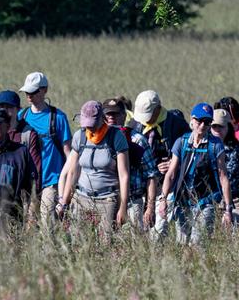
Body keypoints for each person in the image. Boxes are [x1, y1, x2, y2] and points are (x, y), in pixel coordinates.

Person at [159, 103, 234, 245]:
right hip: (183, 200)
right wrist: (163, 199)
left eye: (207, 122)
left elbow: (223, 177)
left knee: (198, 243)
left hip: (206, 201)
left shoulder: (215, 145)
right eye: (199, 121)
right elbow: (171, 174)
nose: (202, 125)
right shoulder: (182, 142)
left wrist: (228, 209)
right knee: (181, 243)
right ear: (192, 121)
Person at [58, 101, 130, 238]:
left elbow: (124, 176)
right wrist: (64, 202)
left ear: (101, 119)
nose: (89, 128)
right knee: (78, 242)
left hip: (107, 200)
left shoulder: (116, 137)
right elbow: (72, 172)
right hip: (81, 198)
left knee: (105, 243)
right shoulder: (80, 136)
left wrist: (123, 207)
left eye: (92, 124)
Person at [125, 90, 190, 234]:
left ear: (158, 109)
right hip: (144, 185)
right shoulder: (134, 124)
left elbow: (190, 152)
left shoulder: (177, 125)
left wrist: (175, 163)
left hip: (168, 186)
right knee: (141, 229)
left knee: (158, 230)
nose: (145, 120)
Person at [17, 72, 72, 227]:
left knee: (48, 225)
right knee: (28, 225)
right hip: (29, 183)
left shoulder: (58, 117)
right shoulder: (22, 116)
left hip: (51, 180)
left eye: (33, 91)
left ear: (44, 90)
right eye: (27, 92)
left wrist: (70, 184)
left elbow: (68, 152)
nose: (29, 96)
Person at [101, 98, 161, 231]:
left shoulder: (137, 140)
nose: (111, 117)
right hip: (105, 200)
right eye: (108, 114)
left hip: (133, 202)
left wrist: (150, 208)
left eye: (115, 114)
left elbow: (152, 175)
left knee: (135, 244)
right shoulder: (97, 140)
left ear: (124, 115)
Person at [0, 90, 43, 192]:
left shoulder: (28, 134)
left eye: (9, 107)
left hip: (21, 192)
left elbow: (36, 168)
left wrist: (34, 195)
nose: (4, 110)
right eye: (1, 107)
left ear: (18, 109)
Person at [209, 108, 239, 226]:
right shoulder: (203, 148)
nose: (217, 130)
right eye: (214, 126)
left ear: (229, 127)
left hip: (236, 201)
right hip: (212, 201)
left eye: (221, 126)